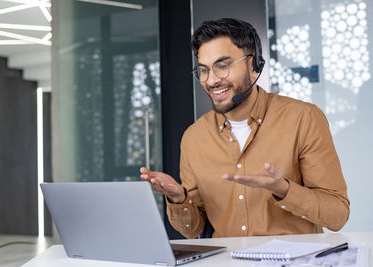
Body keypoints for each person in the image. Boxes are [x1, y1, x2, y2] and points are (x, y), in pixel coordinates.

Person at [140, 18, 349, 238]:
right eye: (203, 70)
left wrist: (283, 189)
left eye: (223, 66)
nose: (211, 81)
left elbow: (337, 215)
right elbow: (192, 230)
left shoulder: (303, 118)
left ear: (253, 64)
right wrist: (179, 198)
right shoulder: (194, 137)